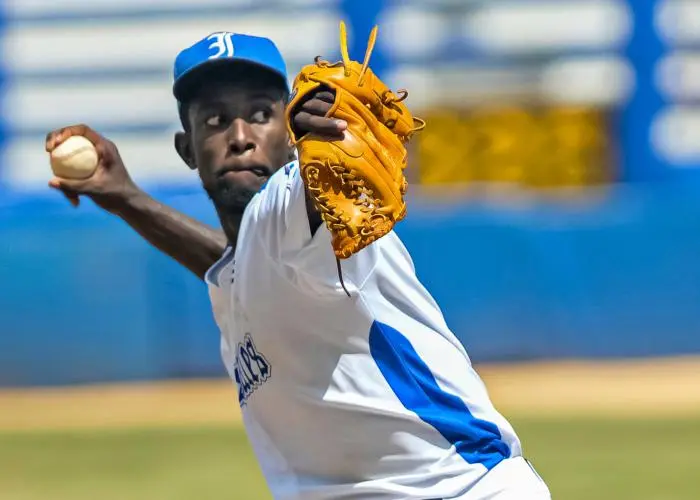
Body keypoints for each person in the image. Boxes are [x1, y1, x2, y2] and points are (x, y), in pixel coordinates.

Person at [45, 31, 551, 500]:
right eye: (216, 121)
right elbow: (231, 263)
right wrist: (125, 198)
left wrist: (327, 136)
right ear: (187, 149)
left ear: (289, 135)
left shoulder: (294, 204)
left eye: (261, 114)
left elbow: (300, 204)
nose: (240, 136)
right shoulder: (245, 264)